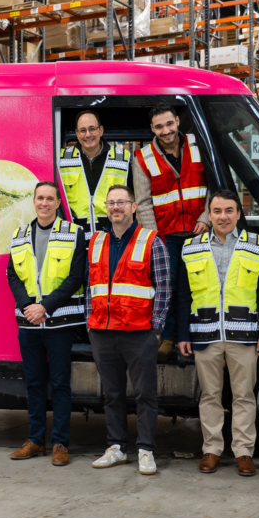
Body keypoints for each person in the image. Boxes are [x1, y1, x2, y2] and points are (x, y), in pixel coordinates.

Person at [176, 189, 259, 477]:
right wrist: (183, 333)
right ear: (209, 214)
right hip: (204, 333)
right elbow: (183, 295)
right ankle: (212, 449)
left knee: (243, 396)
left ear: (239, 214)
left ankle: (244, 452)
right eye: (217, 211)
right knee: (210, 395)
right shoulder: (191, 247)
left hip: (243, 333)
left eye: (229, 210)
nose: (223, 216)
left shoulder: (257, 245)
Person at [87, 185, 170, 475]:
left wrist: (156, 329)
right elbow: (90, 287)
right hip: (102, 331)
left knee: (146, 395)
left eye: (121, 202)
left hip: (139, 333)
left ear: (134, 207)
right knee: (112, 394)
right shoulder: (96, 241)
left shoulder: (151, 241)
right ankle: (116, 448)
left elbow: (164, 288)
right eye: (111, 203)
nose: (115, 207)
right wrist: (91, 321)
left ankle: (145, 450)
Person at [7, 181, 87, 466]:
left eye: (49, 198)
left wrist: (45, 307)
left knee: (60, 384)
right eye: (40, 198)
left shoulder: (73, 233)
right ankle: (36, 440)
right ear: (34, 201)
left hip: (60, 322)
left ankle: (60, 444)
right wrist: (29, 307)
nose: (44, 203)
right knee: (34, 384)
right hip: (28, 323)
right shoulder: (18, 235)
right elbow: (13, 276)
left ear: (57, 203)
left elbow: (76, 276)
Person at [134, 102, 210, 362]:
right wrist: (154, 239)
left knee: (195, 288)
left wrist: (206, 217)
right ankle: (167, 338)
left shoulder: (200, 145)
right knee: (167, 288)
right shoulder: (142, 157)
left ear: (177, 121)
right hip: (166, 237)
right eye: (159, 127)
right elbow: (143, 203)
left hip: (199, 233)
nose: (165, 131)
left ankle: (189, 336)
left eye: (169, 124)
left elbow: (214, 185)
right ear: (152, 129)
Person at [57, 110, 134, 239]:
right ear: (76, 133)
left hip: (113, 239)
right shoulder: (62, 159)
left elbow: (133, 200)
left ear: (101, 130)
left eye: (92, 129)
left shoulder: (122, 158)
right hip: (75, 241)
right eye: (82, 130)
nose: (88, 135)